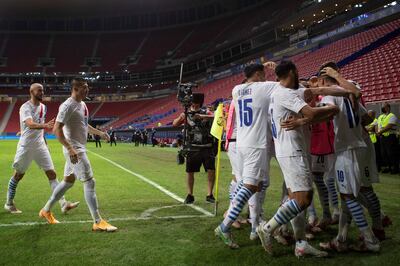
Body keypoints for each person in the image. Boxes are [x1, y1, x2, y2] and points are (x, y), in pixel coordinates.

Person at [256, 61, 340, 257]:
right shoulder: (285, 93)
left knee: (294, 198)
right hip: (292, 151)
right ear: (293, 71)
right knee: (304, 198)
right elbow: (310, 113)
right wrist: (331, 109)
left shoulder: (280, 91)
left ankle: (300, 243)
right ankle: (268, 228)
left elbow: (308, 100)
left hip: (287, 149)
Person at [39, 78, 117, 232]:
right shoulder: (67, 105)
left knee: (68, 182)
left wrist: (99, 133)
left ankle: (46, 210)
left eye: (88, 87)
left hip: (78, 148)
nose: (88, 90)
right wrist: (69, 148)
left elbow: (84, 125)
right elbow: (56, 129)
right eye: (85, 87)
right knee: (90, 182)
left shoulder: (82, 104)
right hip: (74, 150)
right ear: (76, 88)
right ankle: (97, 221)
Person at [318, 72, 380, 252]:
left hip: (346, 150)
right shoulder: (348, 93)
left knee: (347, 196)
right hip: (360, 146)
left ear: (323, 81)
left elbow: (330, 112)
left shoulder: (330, 95)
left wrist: (306, 118)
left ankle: (370, 240)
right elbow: (367, 118)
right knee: (348, 195)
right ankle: (341, 240)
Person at [4, 83, 78, 214]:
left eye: (43, 90)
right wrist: (45, 125)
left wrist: (45, 144)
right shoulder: (25, 107)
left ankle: (63, 203)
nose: (42, 92)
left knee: (52, 174)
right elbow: (30, 124)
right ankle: (9, 203)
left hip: (40, 146)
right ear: (31, 91)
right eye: (39, 90)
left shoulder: (43, 107)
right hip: (26, 146)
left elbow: (39, 131)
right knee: (18, 175)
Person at [173, 93, 216, 204]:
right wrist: (181, 118)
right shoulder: (186, 113)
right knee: (190, 172)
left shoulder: (206, 111)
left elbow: (216, 117)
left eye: (197, 104)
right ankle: (190, 194)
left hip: (207, 146)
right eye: (194, 104)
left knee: (211, 171)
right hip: (192, 148)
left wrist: (203, 117)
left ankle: (210, 194)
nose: (195, 106)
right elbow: (174, 124)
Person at [377, 102, 399, 174]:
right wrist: (378, 131)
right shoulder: (380, 116)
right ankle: (388, 167)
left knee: (391, 153)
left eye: (384, 106)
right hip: (382, 137)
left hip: (390, 137)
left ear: (388, 108)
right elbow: (377, 125)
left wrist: (380, 131)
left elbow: (390, 125)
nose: (382, 108)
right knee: (384, 153)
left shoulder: (392, 116)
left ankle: (395, 168)